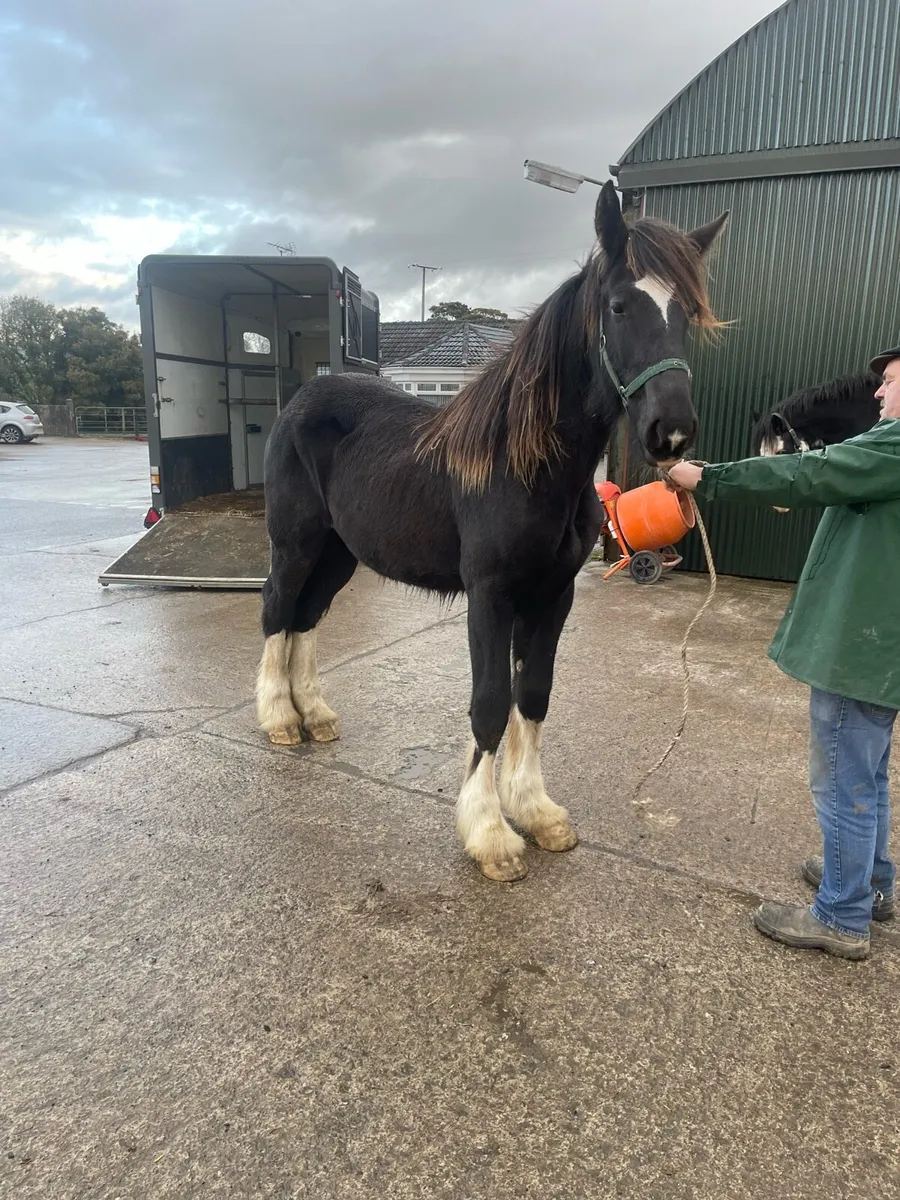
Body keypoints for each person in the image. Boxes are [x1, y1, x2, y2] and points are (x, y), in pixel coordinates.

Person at [668, 344, 900, 960]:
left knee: (843, 778)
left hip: (860, 650)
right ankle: (871, 884)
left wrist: (708, 478)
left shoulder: (895, 447)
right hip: (880, 650)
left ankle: (842, 915)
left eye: (891, 381)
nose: (878, 392)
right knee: (868, 772)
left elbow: (808, 473)